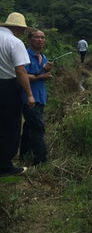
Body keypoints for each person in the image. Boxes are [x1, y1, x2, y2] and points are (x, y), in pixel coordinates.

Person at [0, 12, 35, 177]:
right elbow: (20, 70)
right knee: (11, 126)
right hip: (8, 87)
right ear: (17, 28)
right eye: (22, 29)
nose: (22, 32)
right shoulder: (14, 42)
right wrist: (29, 94)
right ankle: (5, 166)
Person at [20, 30, 53, 166]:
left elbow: (38, 75)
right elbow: (21, 75)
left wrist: (45, 69)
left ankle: (24, 155)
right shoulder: (24, 55)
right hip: (29, 98)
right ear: (30, 39)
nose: (40, 39)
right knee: (38, 127)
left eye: (42, 37)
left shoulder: (43, 56)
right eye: (37, 37)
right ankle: (41, 160)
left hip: (40, 97)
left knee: (29, 127)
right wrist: (41, 76)